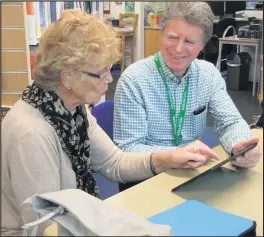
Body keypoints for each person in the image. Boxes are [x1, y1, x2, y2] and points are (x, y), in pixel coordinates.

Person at [1, 10, 220, 236]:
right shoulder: (31, 134)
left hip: (72, 221)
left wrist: (172, 156)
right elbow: (45, 227)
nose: (109, 78)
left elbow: (114, 162)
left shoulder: (72, 109)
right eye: (101, 72)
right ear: (67, 77)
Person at [113, 2, 262, 190]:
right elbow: (128, 150)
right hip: (147, 178)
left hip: (192, 174)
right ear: (162, 34)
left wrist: (239, 145)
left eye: (190, 42)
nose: (178, 49)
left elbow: (230, 122)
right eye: (172, 37)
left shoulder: (207, 74)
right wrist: (175, 155)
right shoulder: (134, 79)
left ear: (202, 45)